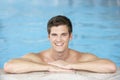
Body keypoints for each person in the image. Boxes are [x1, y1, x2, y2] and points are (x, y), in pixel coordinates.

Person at [4, 15, 116, 73]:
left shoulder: (80, 57)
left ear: (70, 36)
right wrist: (49, 67)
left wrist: (70, 65)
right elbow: (9, 66)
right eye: (54, 35)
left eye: (63, 34)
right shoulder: (38, 58)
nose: (59, 40)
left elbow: (110, 66)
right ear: (48, 37)